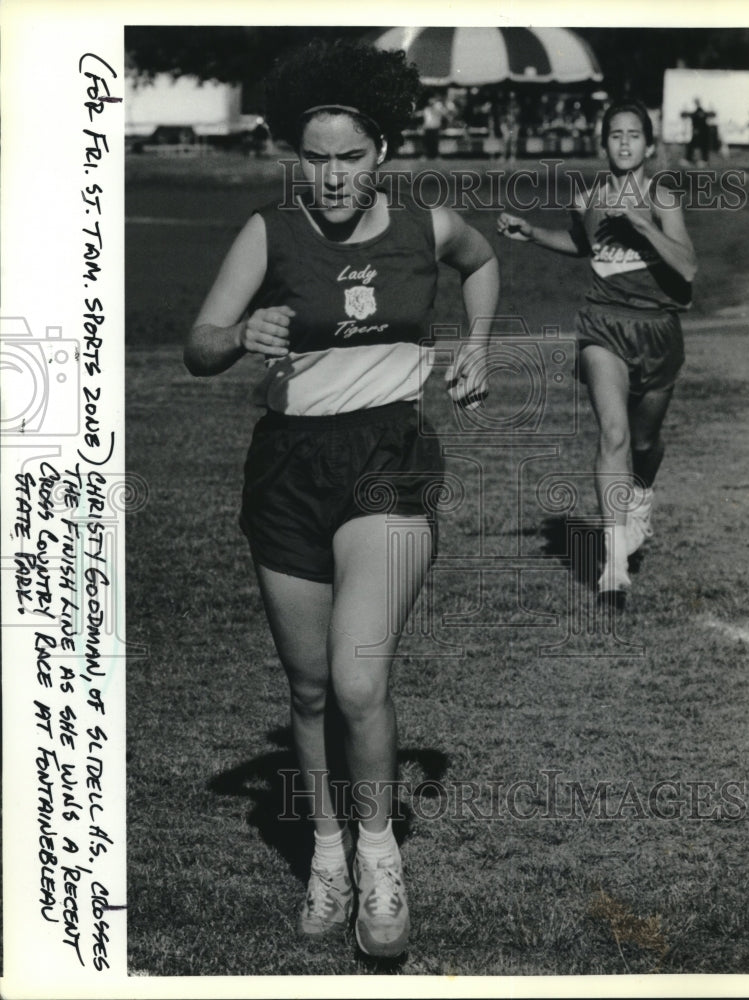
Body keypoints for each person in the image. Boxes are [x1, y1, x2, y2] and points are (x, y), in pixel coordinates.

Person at [184, 38, 499, 958]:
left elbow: (481, 263)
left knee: (360, 680)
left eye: (348, 158)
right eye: (313, 157)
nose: (329, 177)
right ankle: (325, 851)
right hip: (288, 468)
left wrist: (475, 345)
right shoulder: (267, 232)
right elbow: (198, 346)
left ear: (384, 155)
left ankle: (378, 856)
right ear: (296, 156)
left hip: (388, 462)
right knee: (312, 689)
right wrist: (243, 332)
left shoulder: (427, 227)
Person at [497, 98, 696, 596]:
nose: (624, 142)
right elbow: (583, 243)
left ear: (649, 146)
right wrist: (533, 234)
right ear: (602, 143)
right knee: (613, 433)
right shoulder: (586, 198)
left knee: (644, 443)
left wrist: (644, 224)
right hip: (601, 326)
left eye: (634, 135)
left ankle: (641, 498)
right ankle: (612, 561)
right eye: (615, 135)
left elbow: (688, 269)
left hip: (657, 331)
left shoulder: (661, 198)